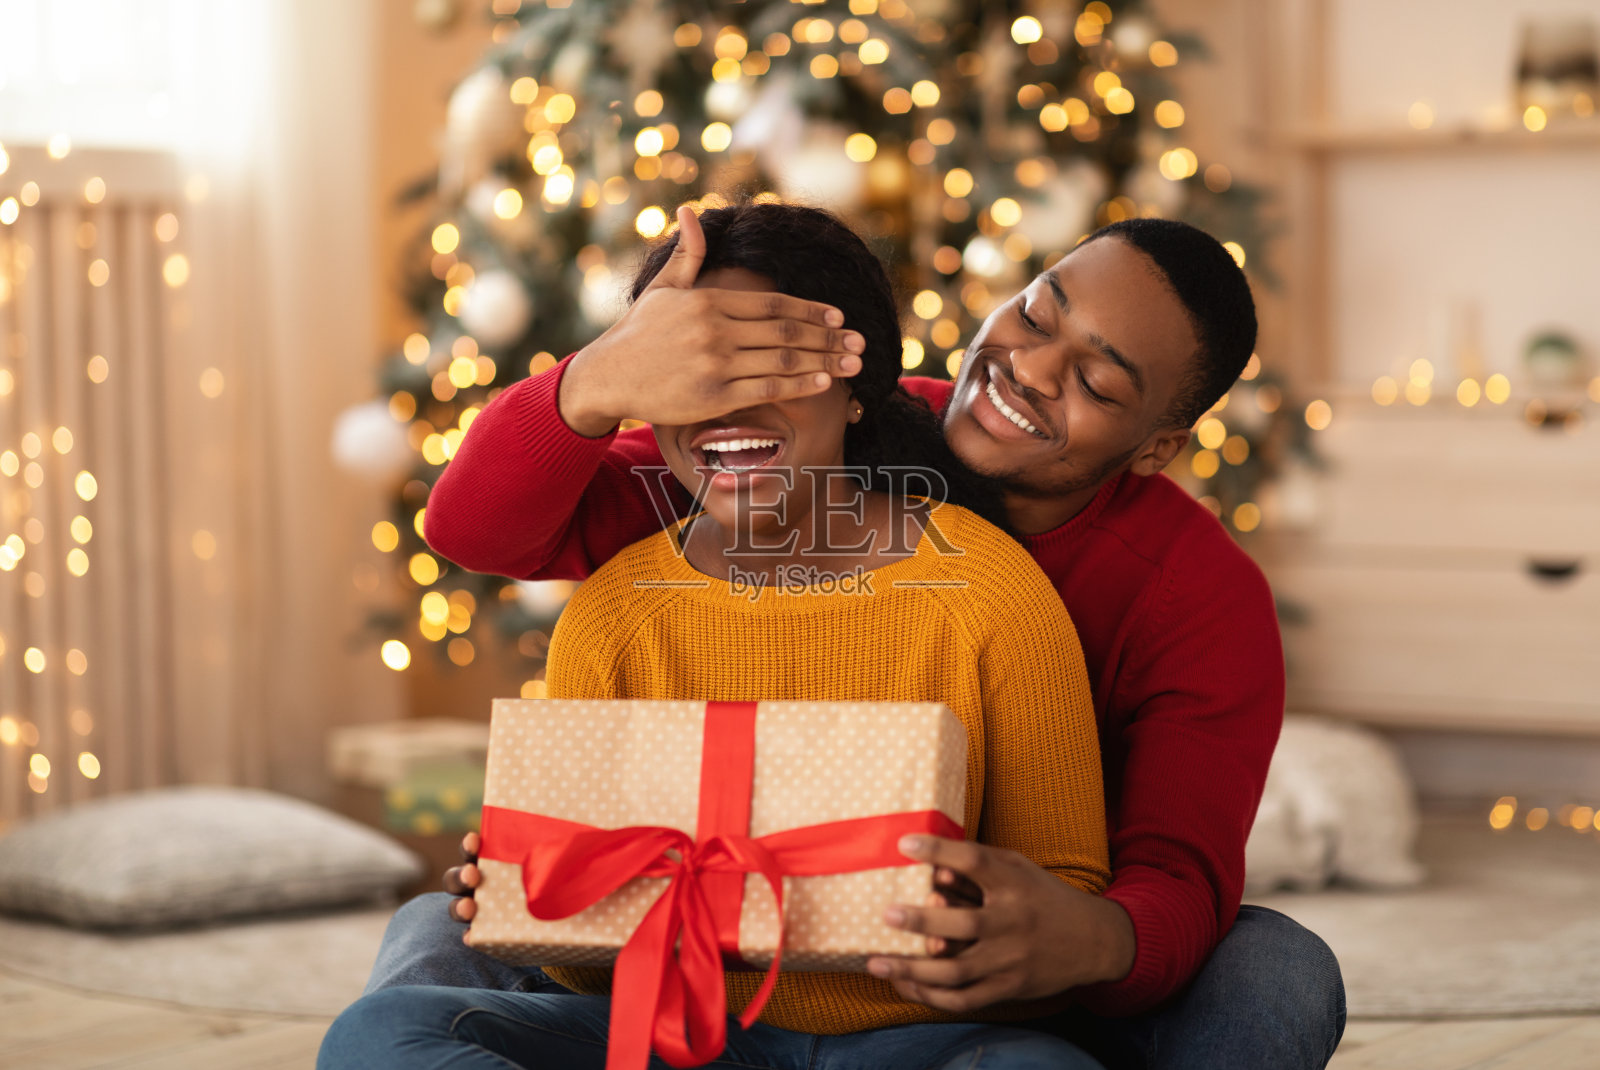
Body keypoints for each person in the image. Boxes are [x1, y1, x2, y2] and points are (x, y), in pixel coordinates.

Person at [377, 205, 1347, 1070]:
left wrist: (1078, 939)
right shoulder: (799, 431)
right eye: (1037, 315)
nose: (1030, 368)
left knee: (1274, 967)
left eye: (1094, 378)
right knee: (434, 933)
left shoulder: (1195, 596)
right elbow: (474, 529)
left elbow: (1177, 880)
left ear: (1153, 449)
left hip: (980, 1003)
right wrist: (597, 378)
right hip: (687, 986)